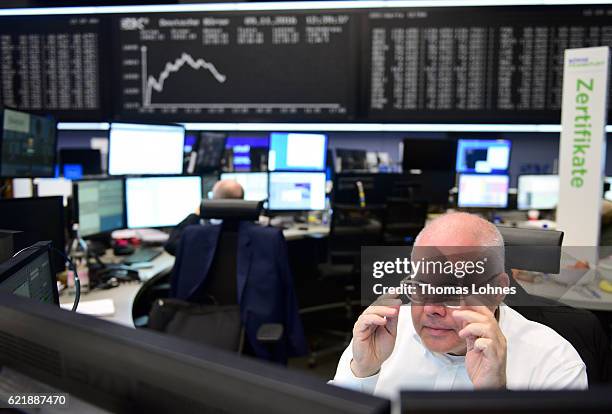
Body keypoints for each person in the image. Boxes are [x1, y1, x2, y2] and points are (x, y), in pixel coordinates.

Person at [331, 212, 587, 399]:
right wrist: (362, 373)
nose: (432, 308)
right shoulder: (383, 335)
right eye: (421, 286)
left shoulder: (554, 363)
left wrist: (495, 397)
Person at [164, 179, 245, 255]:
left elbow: (170, 245)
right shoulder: (252, 231)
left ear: (215, 202)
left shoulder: (200, 232)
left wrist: (196, 215)